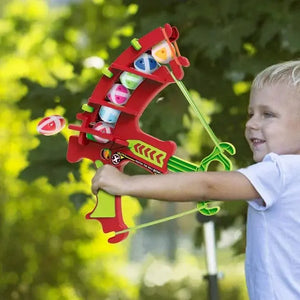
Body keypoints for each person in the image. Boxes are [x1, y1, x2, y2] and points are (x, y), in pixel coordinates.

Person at [91, 60, 300, 300]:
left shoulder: (281, 171)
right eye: (251, 114)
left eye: (268, 115)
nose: (251, 123)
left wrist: (126, 184)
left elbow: (207, 186)